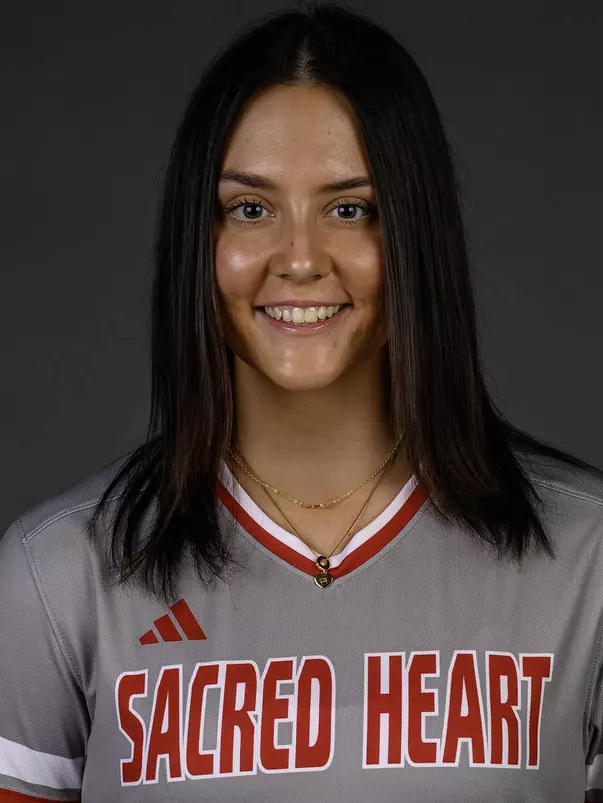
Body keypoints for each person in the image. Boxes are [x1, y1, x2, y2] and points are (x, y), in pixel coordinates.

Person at [1, 3, 602, 801]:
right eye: (251, 208)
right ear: (200, 240)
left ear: (414, 236)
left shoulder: (586, 561)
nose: (299, 258)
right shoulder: (56, 573)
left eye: (350, 208)